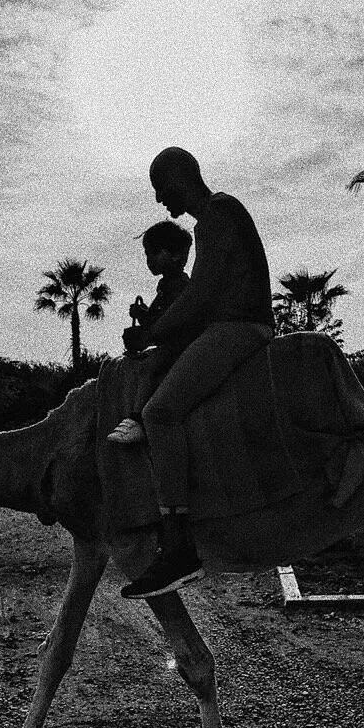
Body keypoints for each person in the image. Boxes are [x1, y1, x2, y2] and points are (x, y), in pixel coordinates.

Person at [120, 147, 275, 600]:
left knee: (161, 412)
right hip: (230, 324)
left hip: (239, 326)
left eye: (159, 188)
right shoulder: (216, 216)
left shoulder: (217, 215)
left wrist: (151, 333)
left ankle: (178, 543)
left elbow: (200, 297)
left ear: (179, 178)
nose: (158, 200)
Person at [107, 220, 192, 445]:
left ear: (173, 256)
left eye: (153, 254)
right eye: (147, 254)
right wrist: (144, 314)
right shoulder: (169, 285)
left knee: (148, 369)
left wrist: (145, 323)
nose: (149, 260)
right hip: (173, 343)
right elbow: (160, 318)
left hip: (178, 346)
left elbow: (169, 321)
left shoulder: (177, 287)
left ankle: (137, 419)